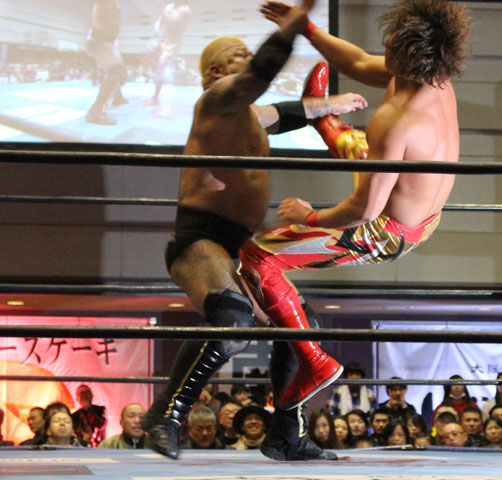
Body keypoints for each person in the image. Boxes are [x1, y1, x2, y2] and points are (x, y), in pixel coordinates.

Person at [141, 0, 367, 461]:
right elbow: (258, 76)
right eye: (237, 55)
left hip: (241, 244)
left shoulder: (247, 114)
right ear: (215, 72)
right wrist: (290, 30)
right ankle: (165, 416)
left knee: (302, 326)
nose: (246, 58)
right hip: (201, 239)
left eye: (247, 53)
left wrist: (331, 104)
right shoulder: (214, 101)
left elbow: (286, 112)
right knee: (232, 320)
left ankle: (287, 433)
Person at [241, 0, 472, 412]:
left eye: (393, 40)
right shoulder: (434, 78)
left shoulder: (395, 119)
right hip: (423, 211)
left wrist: (309, 216)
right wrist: (307, 29)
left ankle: (314, 362)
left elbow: (364, 210)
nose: (386, 41)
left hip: (385, 231)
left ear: (406, 51)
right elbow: (360, 63)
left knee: (258, 255)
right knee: (366, 150)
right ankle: (325, 120)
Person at [85, 0, 127, 125]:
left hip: (106, 38)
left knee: (120, 73)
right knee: (117, 72)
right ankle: (96, 112)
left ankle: (117, 97)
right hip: (100, 38)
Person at [145, 0, 192, 106]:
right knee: (148, 52)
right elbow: (160, 21)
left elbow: (172, 22)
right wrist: (158, 35)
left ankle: (155, 98)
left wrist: (162, 7)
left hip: (172, 42)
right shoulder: (169, 6)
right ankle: (156, 71)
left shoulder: (185, 10)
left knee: (161, 65)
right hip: (161, 38)